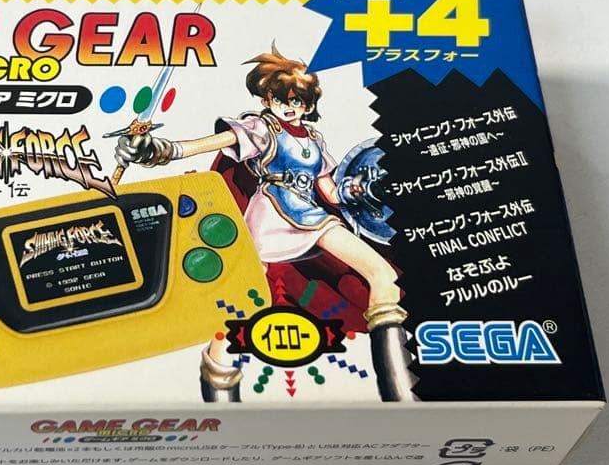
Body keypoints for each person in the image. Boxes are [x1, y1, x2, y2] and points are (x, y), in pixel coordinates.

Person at [116, 46, 416, 402]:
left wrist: (365, 188)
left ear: (308, 104)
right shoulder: (262, 129)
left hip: (311, 215)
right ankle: (220, 396)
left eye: (298, 101)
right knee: (242, 305)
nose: (290, 107)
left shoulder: (314, 140)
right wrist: (161, 150)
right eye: (281, 99)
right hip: (270, 215)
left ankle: (403, 398)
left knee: (382, 275)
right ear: (267, 99)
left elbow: (330, 193)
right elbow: (212, 143)